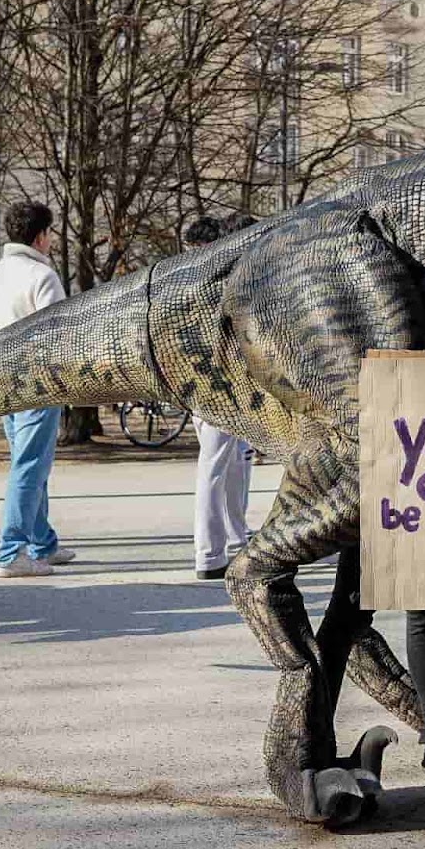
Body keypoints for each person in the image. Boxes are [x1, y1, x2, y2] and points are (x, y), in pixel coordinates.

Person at [0, 202, 74, 577]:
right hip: (37, 385)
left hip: (3, 385)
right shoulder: (42, 277)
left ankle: (42, 543)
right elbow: (60, 335)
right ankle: (10, 552)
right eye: (50, 233)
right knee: (30, 467)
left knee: (30, 464)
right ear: (40, 236)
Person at [182, 215, 254, 582]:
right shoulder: (213, 284)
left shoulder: (188, 284)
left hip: (209, 385)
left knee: (232, 463)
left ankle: (235, 540)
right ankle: (209, 552)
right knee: (215, 466)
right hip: (221, 387)